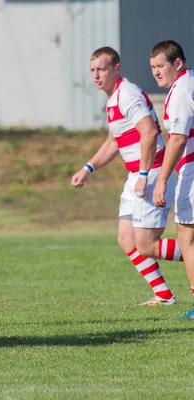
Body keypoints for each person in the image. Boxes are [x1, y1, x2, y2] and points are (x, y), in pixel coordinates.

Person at [71, 46, 182, 306]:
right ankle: (164, 296)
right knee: (126, 238)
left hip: (152, 173)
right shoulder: (113, 99)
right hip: (136, 176)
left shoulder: (127, 94)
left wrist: (144, 175)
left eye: (102, 69)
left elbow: (149, 133)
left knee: (147, 244)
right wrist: (88, 169)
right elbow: (114, 142)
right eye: (93, 70)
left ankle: (189, 250)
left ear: (117, 69)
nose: (96, 75)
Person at [149, 40, 194, 317]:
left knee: (187, 237)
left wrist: (163, 179)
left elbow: (177, 140)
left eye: (160, 65)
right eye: (152, 67)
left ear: (177, 63)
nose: (156, 72)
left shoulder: (180, 91)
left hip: (191, 171)